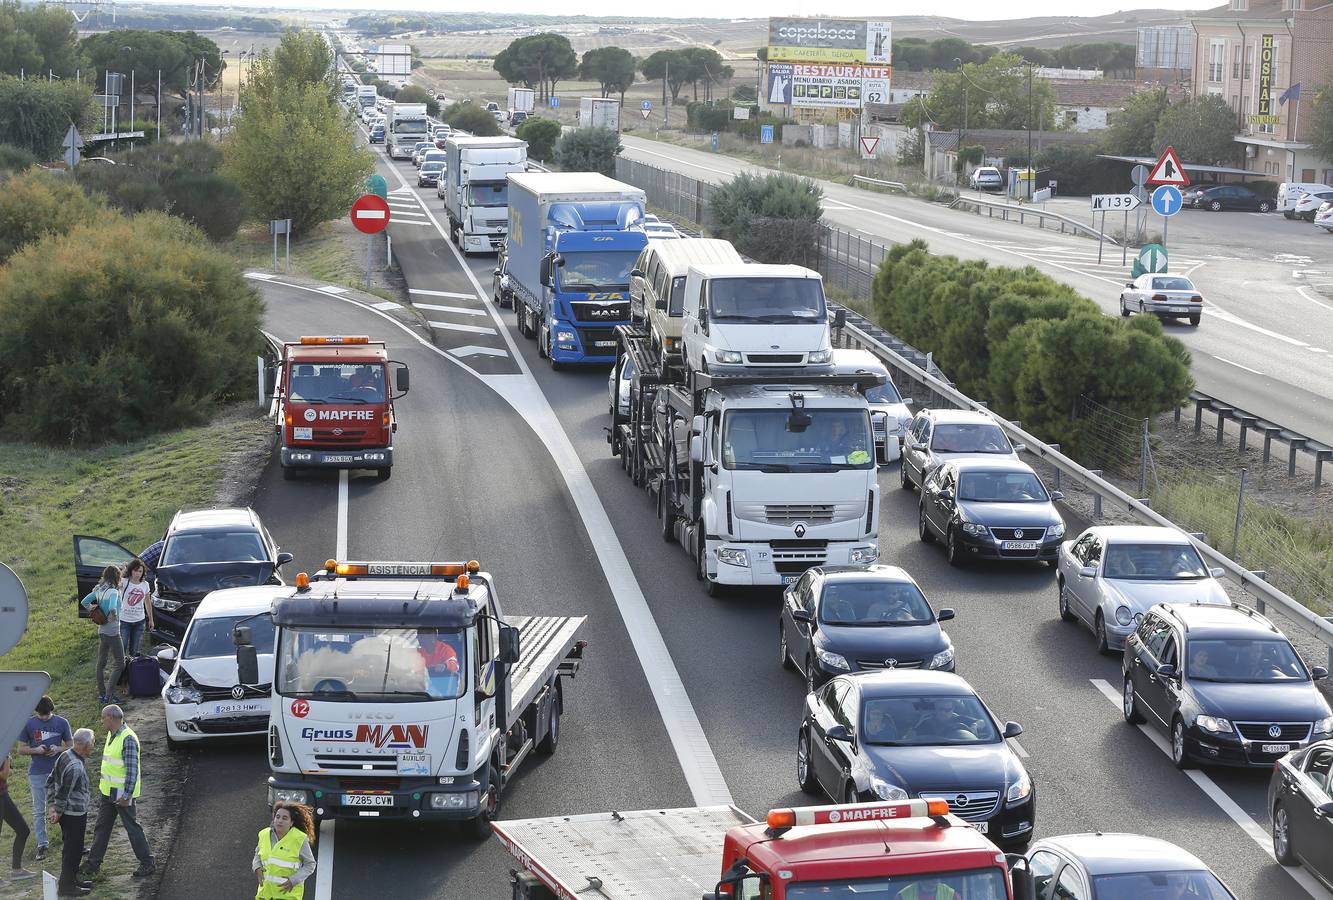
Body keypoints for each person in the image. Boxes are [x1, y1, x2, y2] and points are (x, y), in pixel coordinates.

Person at [82, 704, 155, 880]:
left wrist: (127, 795)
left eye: (103, 717)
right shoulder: (112, 734)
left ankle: (147, 862)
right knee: (101, 828)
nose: (101, 721)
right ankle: (93, 864)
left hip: (122, 795)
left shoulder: (127, 738)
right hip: (108, 793)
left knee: (132, 828)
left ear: (111, 718)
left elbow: (132, 771)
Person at [18, 694, 72, 860]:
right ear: (36, 712)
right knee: (38, 811)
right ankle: (42, 845)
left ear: (51, 710)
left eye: (46, 715)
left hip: (59, 771)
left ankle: (71, 841)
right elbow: (21, 749)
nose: (44, 718)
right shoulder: (28, 723)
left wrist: (58, 749)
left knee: (66, 806)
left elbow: (71, 746)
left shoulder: (62, 722)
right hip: (37, 773)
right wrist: (36, 750)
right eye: (41, 715)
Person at [46, 728, 96, 897]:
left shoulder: (65, 754)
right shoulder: (75, 766)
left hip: (67, 814)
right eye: (93, 742)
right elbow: (63, 794)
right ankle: (67, 887)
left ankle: (72, 880)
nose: (94, 745)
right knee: (72, 852)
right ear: (86, 744)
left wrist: (52, 806)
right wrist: (56, 811)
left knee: (72, 849)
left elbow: (51, 780)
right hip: (73, 814)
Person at [252, 802, 317, 899]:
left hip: (288, 896)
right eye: (277, 817)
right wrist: (256, 866)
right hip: (264, 894)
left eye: (284, 818)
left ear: (291, 822)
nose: (279, 821)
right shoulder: (263, 834)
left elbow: (310, 864)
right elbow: (258, 853)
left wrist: (294, 880)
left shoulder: (299, 839)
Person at [81, 565, 125, 704]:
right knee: (120, 663)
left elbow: (84, 601)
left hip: (102, 630)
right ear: (116, 577)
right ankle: (109, 695)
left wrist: (92, 608)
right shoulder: (113, 592)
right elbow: (112, 607)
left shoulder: (99, 590)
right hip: (113, 631)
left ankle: (101, 694)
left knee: (101, 664)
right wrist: (113, 615)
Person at [0, 751, 34, 880]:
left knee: (23, 830)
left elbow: (8, 772)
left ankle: (16, 870)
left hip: (3, 794)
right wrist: (7, 756)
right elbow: (4, 775)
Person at [118, 558, 154, 658]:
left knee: (134, 650)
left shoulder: (145, 585)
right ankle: (121, 668)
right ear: (130, 570)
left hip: (139, 621)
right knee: (122, 647)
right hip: (124, 621)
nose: (137, 573)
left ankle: (132, 668)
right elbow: (115, 584)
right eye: (135, 570)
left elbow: (147, 602)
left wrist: (151, 620)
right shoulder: (124, 582)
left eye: (140, 571)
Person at [417, 630, 461, 697]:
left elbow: (455, 665)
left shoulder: (446, 649)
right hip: (421, 690)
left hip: (442, 690)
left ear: (433, 637)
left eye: (421, 636)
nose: (418, 638)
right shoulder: (418, 652)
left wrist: (445, 665)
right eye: (418, 636)